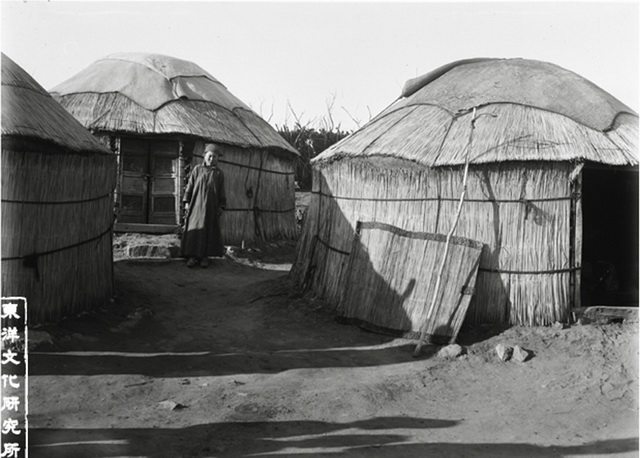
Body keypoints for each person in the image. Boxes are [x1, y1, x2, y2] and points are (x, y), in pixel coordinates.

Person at [181, 144, 226, 268]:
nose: (212, 159)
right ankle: (192, 257)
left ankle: (204, 258)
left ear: (217, 159)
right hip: (196, 206)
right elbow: (189, 187)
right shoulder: (197, 170)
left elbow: (222, 191)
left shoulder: (219, 173)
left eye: (215, 157)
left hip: (211, 208)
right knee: (194, 230)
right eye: (210, 156)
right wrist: (186, 203)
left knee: (208, 230)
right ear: (205, 156)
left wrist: (221, 206)